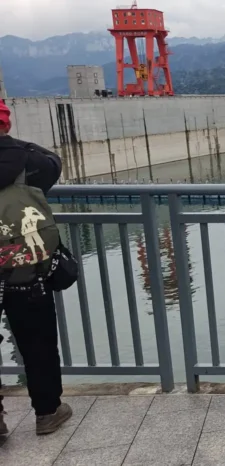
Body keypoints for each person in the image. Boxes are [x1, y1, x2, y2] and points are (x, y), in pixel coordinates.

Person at [0, 100, 72, 436]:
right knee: (38, 341)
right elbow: (53, 164)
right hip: (26, 270)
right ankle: (47, 412)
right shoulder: (29, 161)